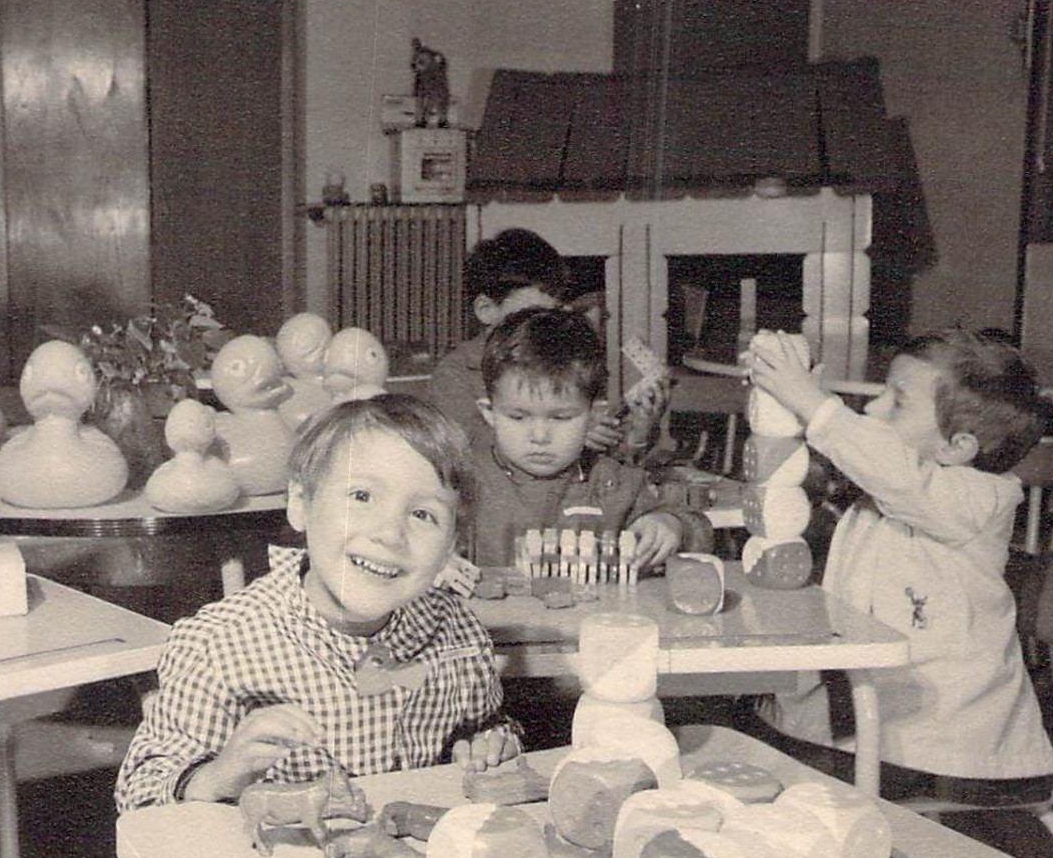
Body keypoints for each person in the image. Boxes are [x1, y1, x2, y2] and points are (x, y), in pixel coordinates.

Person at [115, 394, 521, 811]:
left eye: (423, 515)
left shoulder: (458, 633)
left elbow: (486, 726)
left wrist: (487, 744)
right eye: (361, 496)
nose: (390, 534)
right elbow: (139, 790)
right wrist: (217, 775)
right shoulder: (218, 644)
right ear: (300, 504)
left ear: (451, 545)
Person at [742, 328, 1053, 800]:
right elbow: (875, 465)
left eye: (897, 402)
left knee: (779, 777)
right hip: (879, 713)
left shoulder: (978, 499)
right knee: (753, 740)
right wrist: (792, 394)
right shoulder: (902, 483)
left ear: (958, 448)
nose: (872, 409)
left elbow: (894, 474)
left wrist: (814, 403)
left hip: (945, 739)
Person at [465, 307, 713, 569]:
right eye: (518, 417)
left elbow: (699, 531)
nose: (539, 437)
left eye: (560, 418)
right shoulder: (463, 483)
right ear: (489, 413)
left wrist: (673, 526)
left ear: (594, 416)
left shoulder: (615, 483)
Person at [429, 229, 665, 457]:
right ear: (486, 309)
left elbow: (605, 469)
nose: (544, 327)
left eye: (553, 314)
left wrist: (638, 435)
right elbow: (467, 453)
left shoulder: (561, 363)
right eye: (532, 314)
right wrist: (568, 435)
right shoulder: (454, 374)